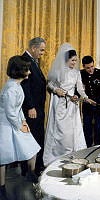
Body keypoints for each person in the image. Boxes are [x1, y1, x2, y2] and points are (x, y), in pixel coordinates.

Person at [43, 43, 94, 166]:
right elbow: (50, 84)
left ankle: (72, 154)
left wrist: (84, 97)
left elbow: (80, 88)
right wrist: (56, 90)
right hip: (59, 103)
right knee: (61, 131)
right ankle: (57, 154)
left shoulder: (76, 73)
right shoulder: (58, 71)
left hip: (72, 104)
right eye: (72, 60)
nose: (74, 63)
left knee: (72, 131)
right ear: (66, 59)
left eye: (76, 60)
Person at [0, 56, 41, 200]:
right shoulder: (11, 89)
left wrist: (24, 122)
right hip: (5, 124)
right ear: (19, 71)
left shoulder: (17, 85)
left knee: (33, 148)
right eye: (27, 69)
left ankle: (31, 174)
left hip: (15, 121)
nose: (29, 72)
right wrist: (19, 126)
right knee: (3, 158)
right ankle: (2, 188)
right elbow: (10, 113)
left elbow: (18, 109)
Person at [21, 37, 46, 176]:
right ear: (33, 48)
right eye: (41, 50)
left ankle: (37, 167)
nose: (43, 53)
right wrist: (30, 106)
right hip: (32, 109)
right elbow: (25, 86)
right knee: (32, 138)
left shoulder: (34, 61)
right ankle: (31, 170)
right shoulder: (24, 60)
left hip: (38, 108)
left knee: (37, 136)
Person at [81, 56, 100, 148]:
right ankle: (87, 149)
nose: (91, 70)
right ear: (83, 66)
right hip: (87, 106)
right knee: (87, 129)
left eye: (92, 66)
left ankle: (98, 149)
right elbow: (77, 89)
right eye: (88, 68)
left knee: (99, 129)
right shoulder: (80, 74)